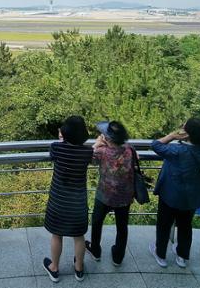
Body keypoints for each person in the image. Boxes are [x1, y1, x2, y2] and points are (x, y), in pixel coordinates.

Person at [149, 118, 200, 269]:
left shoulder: (177, 151)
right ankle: (182, 256)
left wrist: (171, 136)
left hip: (170, 194)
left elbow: (155, 145)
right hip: (192, 196)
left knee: (164, 225)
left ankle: (160, 254)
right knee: (185, 226)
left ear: (187, 133)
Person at [43, 116, 93, 283]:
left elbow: (54, 154)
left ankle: (54, 268)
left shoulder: (56, 148)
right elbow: (86, 151)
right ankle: (79, 269)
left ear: (64, 134)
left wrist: (61, 140)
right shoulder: (87, 152)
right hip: (77, 203)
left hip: (58, 201)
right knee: (79, 237)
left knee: (57, 235)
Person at [85, 121, 135, 266]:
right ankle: (118, 257)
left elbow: (88, 159)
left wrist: (96, 144)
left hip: (105, 195)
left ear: (108, 138)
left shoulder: (102, 152)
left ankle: (95, 250)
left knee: (97, 222)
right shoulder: (130, 149)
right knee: (122, 226)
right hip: (124, 195)